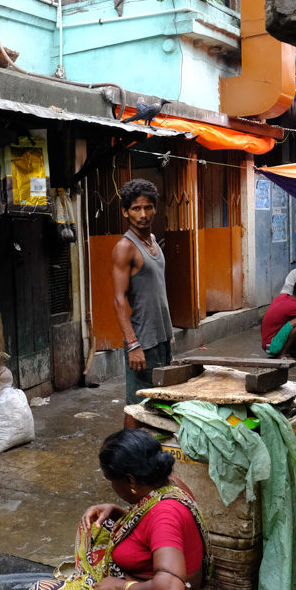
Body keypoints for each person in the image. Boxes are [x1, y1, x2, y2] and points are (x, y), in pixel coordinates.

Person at [26, 429, 211, 590]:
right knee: (95, 527)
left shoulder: (165, 516)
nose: (111, 486)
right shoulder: (170, 485)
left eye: (112, 480)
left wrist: (121, 587)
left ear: (132, 480)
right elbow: (153, 528)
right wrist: (120, 512)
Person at [110, 179, 174, 419]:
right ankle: (128, 456)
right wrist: (133, 344)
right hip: (142, 341)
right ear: (126, 212)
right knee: (137, 407)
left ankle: (149, 455)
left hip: (161, 338)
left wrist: (169, 335)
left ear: (155, 209)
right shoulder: (125, 247)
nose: (143, 214)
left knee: (159, 403)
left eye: (148, 207)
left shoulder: (154, 242)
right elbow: (118, 299)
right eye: (136, 209)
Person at [261, 277, 296, 363]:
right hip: (272, 346)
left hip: (267, 344)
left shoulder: (282, 297)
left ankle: (286, 351)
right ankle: (283, 355)